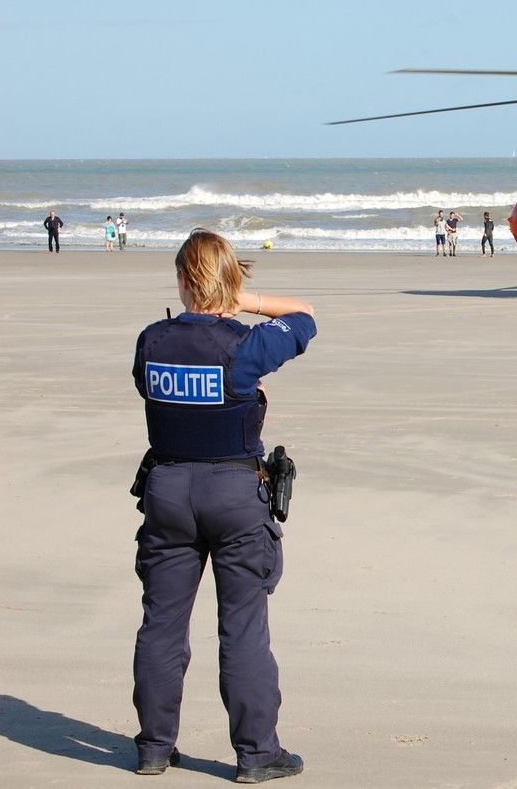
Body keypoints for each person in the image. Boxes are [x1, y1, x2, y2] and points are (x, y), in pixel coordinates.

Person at [130, 229, 315, 783]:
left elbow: (150, 388)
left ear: (182, 279)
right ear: (229, 278)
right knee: (242, 627)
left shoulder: (152, 341)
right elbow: (305, 317)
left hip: (167, 490)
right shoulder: (244, 345)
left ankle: (155, 747)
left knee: (161, 624)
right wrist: (245, 304)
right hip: (233, 494)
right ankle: (256, 754)